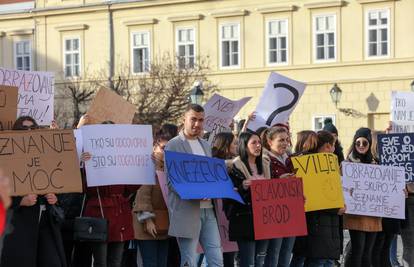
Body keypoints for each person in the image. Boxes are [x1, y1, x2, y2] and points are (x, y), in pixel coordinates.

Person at [1, 116, 67, 267]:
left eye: (33, 128)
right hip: (20, 226)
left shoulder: (46, 154)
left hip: (46, 222)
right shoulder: (6, 157)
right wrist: (20, 201)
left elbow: (62, 184)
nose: (29, 131)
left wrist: (55, 198)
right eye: (24, 128)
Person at [164, 104, 223, 267]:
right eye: (193, 119)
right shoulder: (173, 145)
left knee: (217, 259)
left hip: (209, 210)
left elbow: (209, 176)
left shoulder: (205, 145)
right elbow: (171, 182)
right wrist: (193, 193)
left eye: (201, 120)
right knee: (189, 261)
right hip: (187, 211)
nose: (197, 124)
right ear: (184, 119)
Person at [80, 120, 138, 267]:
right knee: (100, 262)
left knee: (116, 261)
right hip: (99, 214)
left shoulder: (123, 159)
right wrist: (84, 167)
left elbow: (129, 189)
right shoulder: (91, 158)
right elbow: (85, 189)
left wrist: (143, 169)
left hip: (120, 214)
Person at [290, 131, 344, 267]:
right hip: (318, 223)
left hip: (329, 224)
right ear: (327, 146)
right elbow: (319, 198)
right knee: (318, 260)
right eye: (333, 145)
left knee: (326, 260)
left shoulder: (331, 165)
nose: (334, 149)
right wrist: (336, 208)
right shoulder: (309, 164)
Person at [132, 125, 177, 267]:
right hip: (148, 226)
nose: (166, 152)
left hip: (164, 225)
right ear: (154, 147)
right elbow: (142, 196)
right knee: (150, 263)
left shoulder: (169, 169)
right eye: (163, 148)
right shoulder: (147, 167)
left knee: (162, 263)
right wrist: (148, 221)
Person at [224, 131, 271, 267]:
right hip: (245, 220)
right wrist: (241, 186)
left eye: (259, 143)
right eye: (253, 143)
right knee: (248, 262)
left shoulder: (266, 164)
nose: (258, 146)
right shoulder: (233, 167)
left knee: (260, 261)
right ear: (244, 146)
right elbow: (230, 197)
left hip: (265, 220)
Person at [343, 127, 381, 267]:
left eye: (364, 143)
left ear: (370, 144)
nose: (360, 146)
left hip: (374, 214)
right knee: (358, 250)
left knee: (368, 252)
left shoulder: (376, 163)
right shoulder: (347, 164)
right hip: (356, 214)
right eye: (357, 143)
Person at [262, 127, 295, 267]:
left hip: (292, 210)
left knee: (287, 251)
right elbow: (261, 185)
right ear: (270, 141)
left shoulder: (291, 159)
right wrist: (278, 180)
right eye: (281, 140)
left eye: (287, 140)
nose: (285, 143)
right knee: (274, 251)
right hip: (274, 212)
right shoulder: (264, 159)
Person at [212, 132, 239, 267]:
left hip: (230, 213)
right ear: (226, 145)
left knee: (229, 255)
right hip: (217, 214)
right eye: (234, 143)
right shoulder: (214, 163)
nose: (237, 146)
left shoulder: (237, 164)